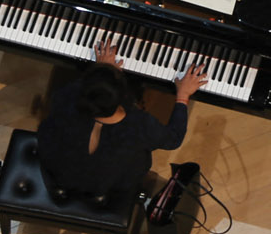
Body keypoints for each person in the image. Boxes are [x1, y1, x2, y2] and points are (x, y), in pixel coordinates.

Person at [35, 41, 208, 203]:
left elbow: (82, 88)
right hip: (113, 186)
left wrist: (103, 71)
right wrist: (183, 95)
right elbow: (173, 139)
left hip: (60, 174)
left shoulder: (66, 98)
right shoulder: (139, 125)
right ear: (124, 96)